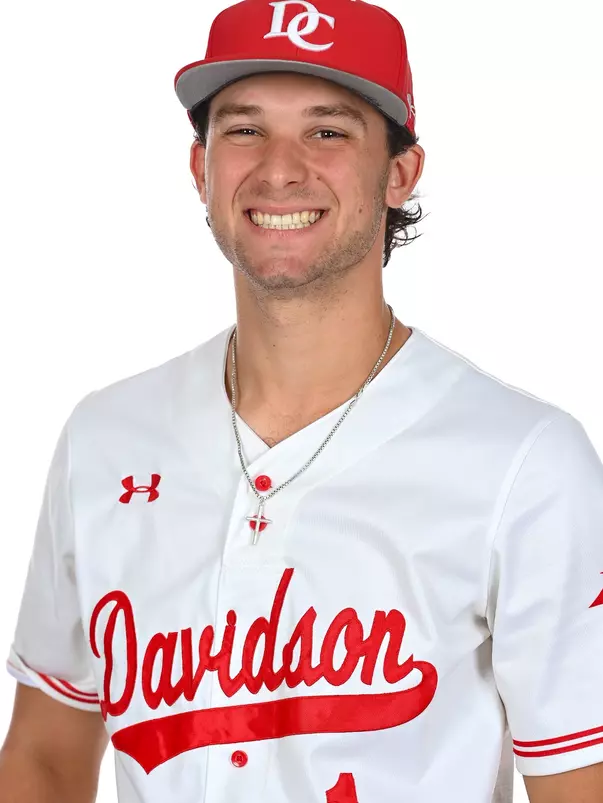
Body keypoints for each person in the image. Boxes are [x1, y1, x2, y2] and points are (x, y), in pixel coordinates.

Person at [1, 0, 602, 801]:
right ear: (200, 168)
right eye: (244, 129)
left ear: (399, 173)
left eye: (327, 131)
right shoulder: (107, 437)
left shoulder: (523, 463)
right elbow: (44, 754)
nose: (279, 169)